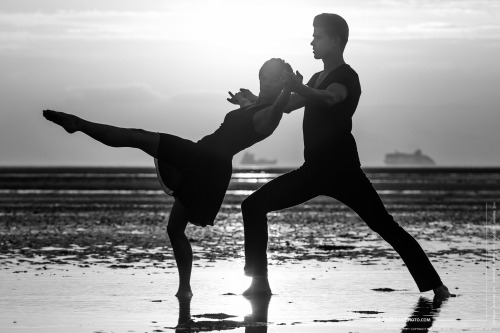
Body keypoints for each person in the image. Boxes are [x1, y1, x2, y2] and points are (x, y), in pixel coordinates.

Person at [237, 14, 452, 299]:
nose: (312, 42)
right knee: (252, 206)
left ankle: (437, 287)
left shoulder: (346, 77)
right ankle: (258, 283)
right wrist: (253, 100)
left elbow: (329, 98)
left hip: (343, 171)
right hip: (313, 170)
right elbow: (288, 105)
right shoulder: (316, 77)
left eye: (318, 36)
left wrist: (299, 87)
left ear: (336, 41)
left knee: (385, 226)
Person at [42, 58, 294, 298]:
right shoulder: (255, 106)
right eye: (262, 76)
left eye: (272, 79)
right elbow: (251, 107)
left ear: (283, 84)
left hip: (206, 164)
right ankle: (185, 288)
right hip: (201, 156)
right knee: (174, 229)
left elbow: (275, 109)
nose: (265, 82)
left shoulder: (270, 115)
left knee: (138, 137)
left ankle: (78, 124)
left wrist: (288, 90)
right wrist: (244, 99)